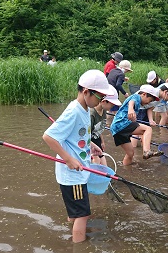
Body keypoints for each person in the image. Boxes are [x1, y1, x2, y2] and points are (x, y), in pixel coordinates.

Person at [42, 69, 115, 243]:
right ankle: (79, 252)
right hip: (72, 175)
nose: (101, 101)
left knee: (76, 213)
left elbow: (77, 135)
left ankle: (74, 232)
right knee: (83, 214)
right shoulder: (74, 111)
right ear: (86, 92)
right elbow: (48, 137)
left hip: (79, 171)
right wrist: (68, 159)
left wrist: (91, 145)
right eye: (99, 97)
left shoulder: (84, 109)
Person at [110, 84, 162, 166]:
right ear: (144, 94)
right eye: (149, 100)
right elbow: (132, 101)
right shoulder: (137, 96)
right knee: (148, 129)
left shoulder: (138, 102)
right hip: (122, 123)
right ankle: (146, 151)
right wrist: (130, 109)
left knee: (130, 153)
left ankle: (126, 168)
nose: (149, 103)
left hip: (116, 129)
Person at [89, 85, 121, 165]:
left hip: (97, 142)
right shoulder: (92, 114)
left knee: (105, 167)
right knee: (96, 163)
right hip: (90, 143)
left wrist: (102, 142)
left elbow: (98, 130)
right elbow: (85, 135)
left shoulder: (104, 112)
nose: (113, 107)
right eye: (112, 104)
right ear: (104, 101)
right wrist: (93, 147)